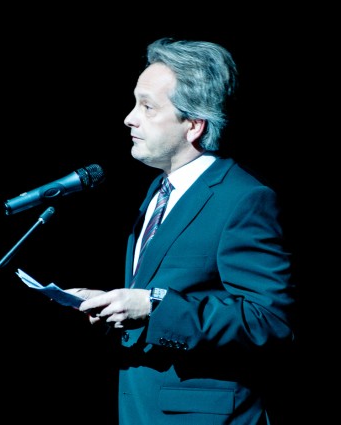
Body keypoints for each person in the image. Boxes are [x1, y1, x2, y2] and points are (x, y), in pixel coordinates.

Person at [66, 37, 296, 425]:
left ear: (193, 124)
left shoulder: (244, 199)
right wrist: (114, 306)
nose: (129, 118)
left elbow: (269, 321)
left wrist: (154, 307)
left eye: (147, 107)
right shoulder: (158, 190)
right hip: (141, 410)